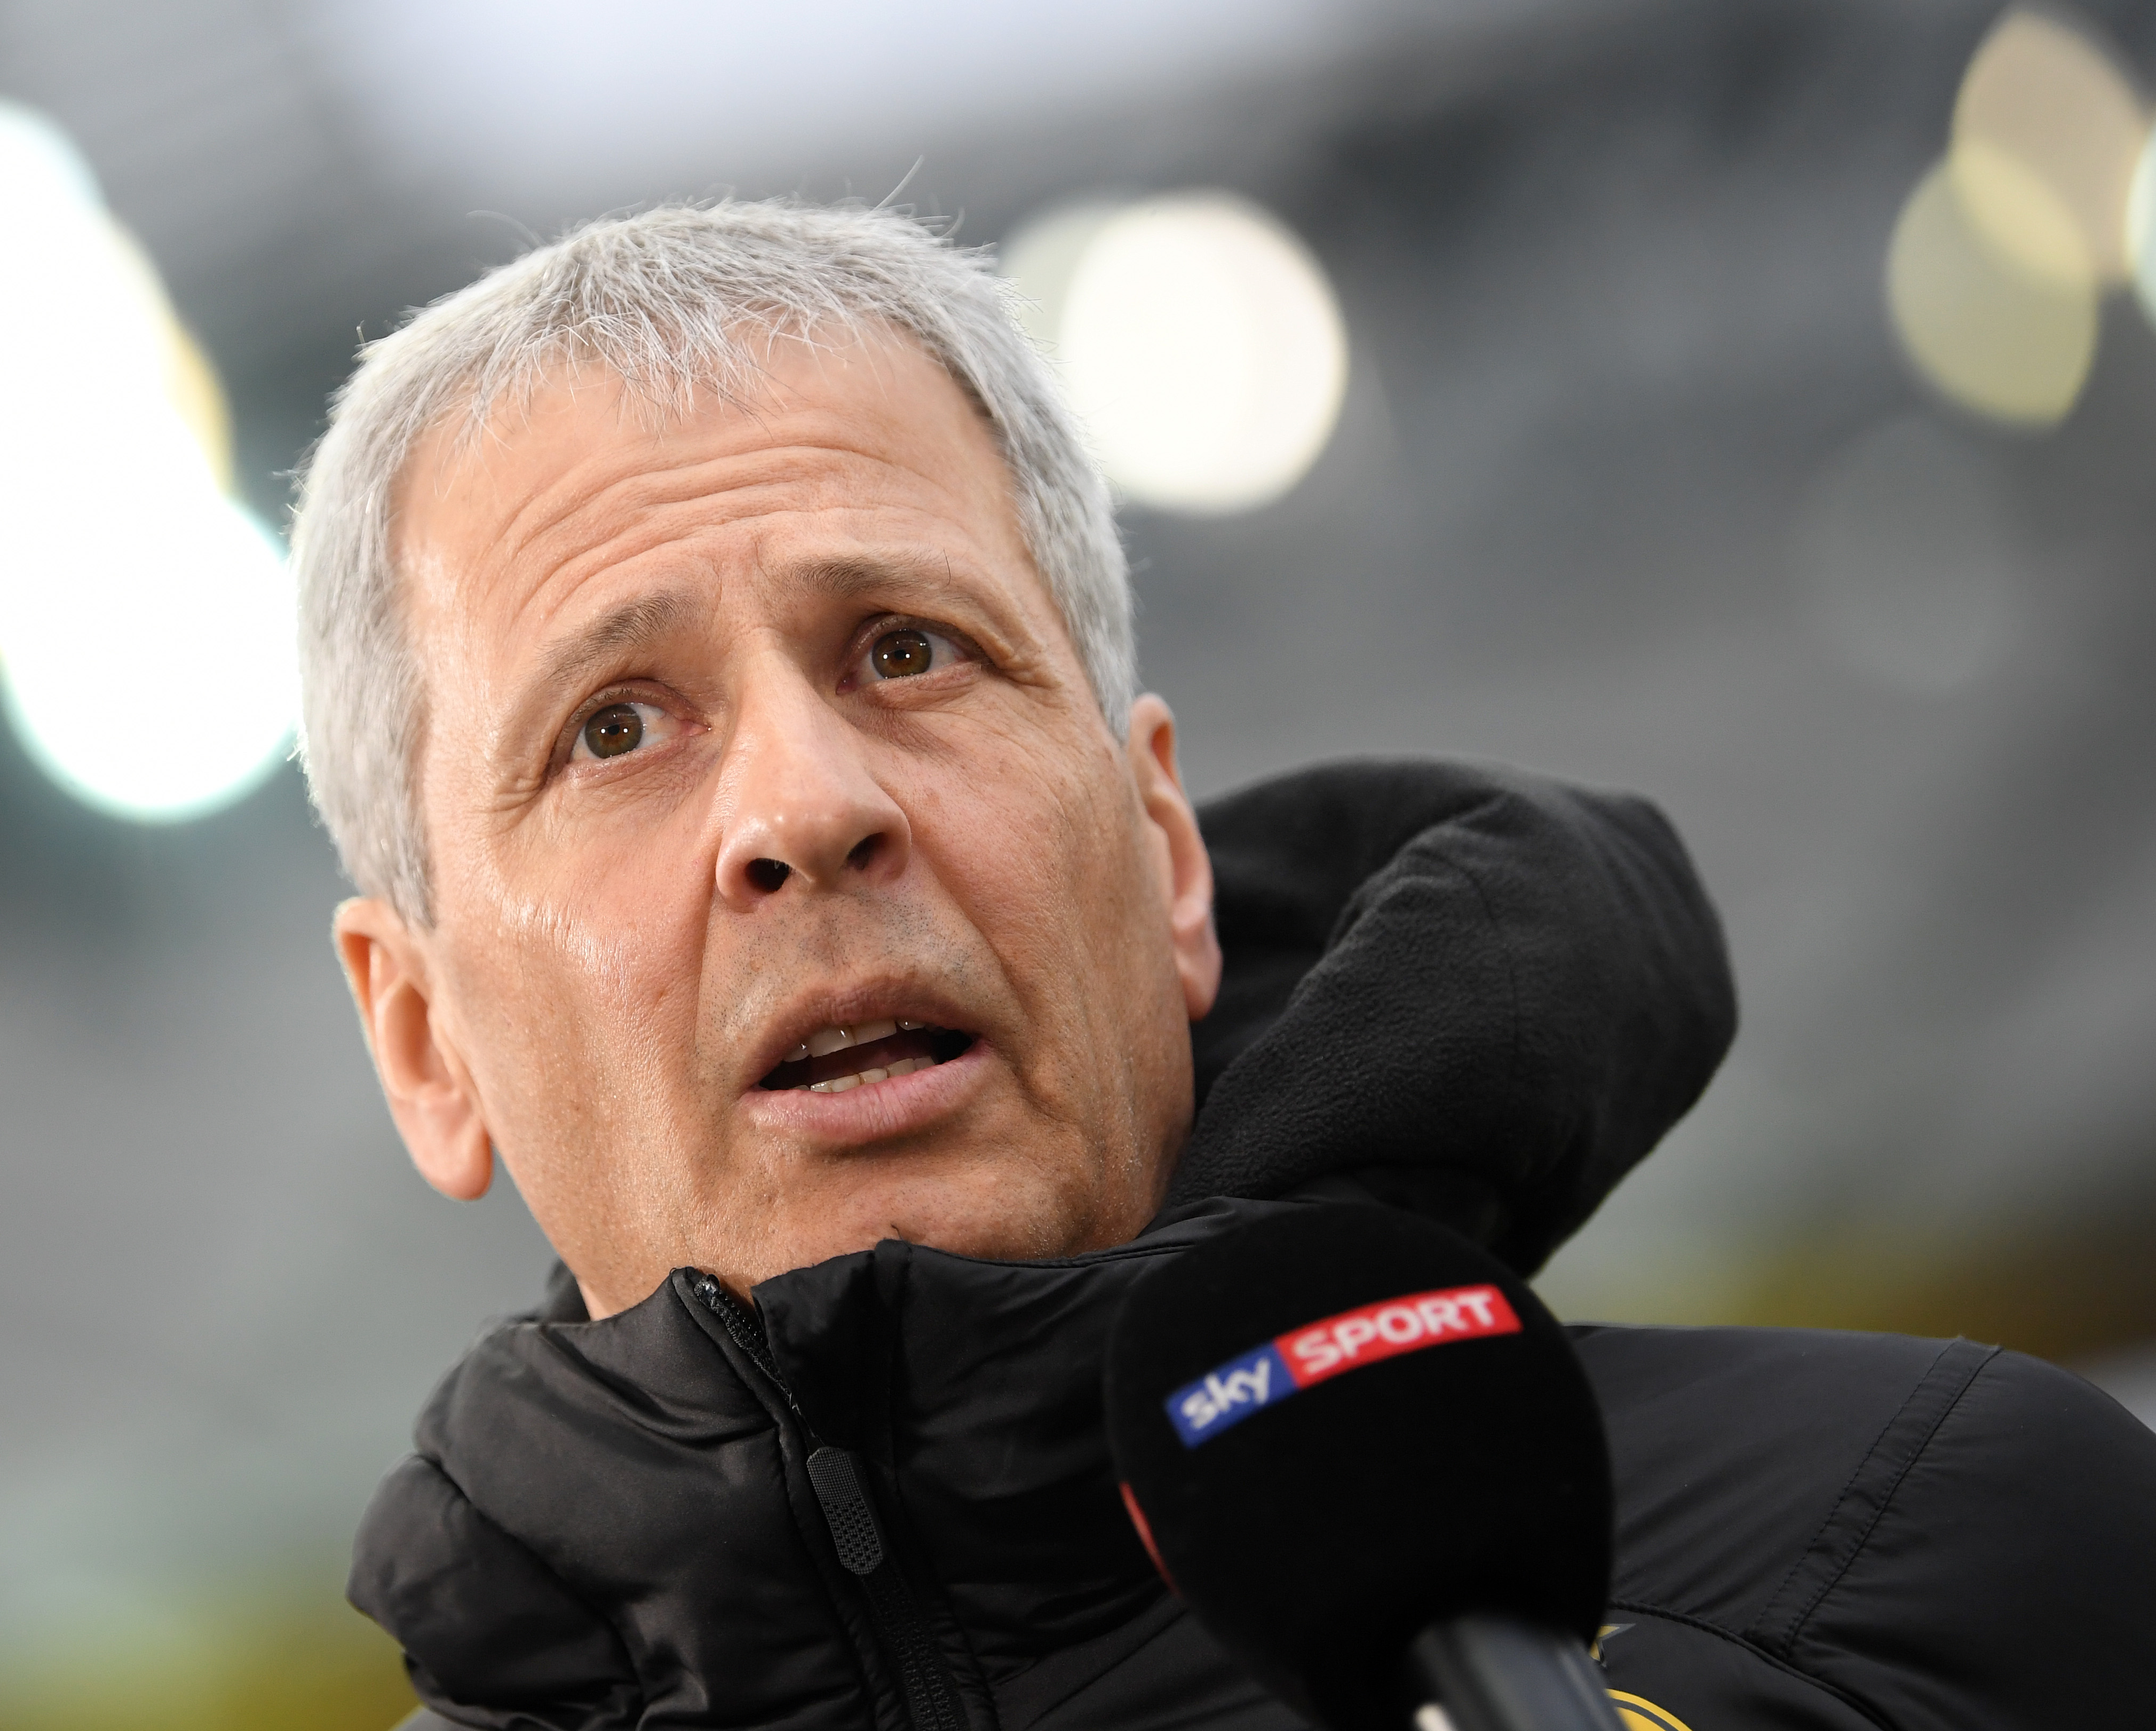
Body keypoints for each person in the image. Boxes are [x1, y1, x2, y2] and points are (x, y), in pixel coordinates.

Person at [290, 201, 2156, 1730]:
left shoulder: (1951, 1557)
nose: (807, 803)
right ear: (423, 1036)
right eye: (613, 729)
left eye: (906, 650)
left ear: (1167, 854)